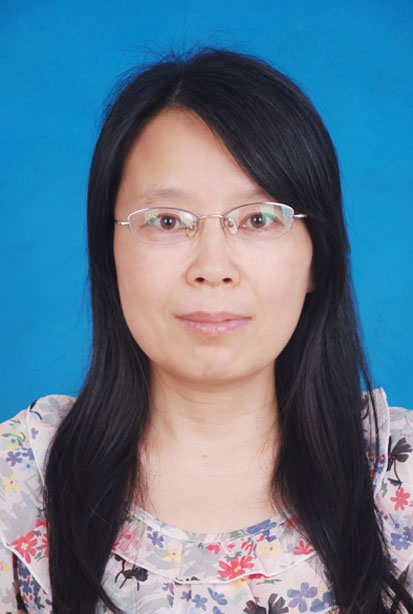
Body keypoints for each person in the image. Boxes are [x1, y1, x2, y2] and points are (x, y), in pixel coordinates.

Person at [0, 45, 412, 614]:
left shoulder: (398, 476)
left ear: (318, 257)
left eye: (259, 218)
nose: (212, 267)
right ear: (109, 252)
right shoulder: (19, 485)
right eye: (167, 221)